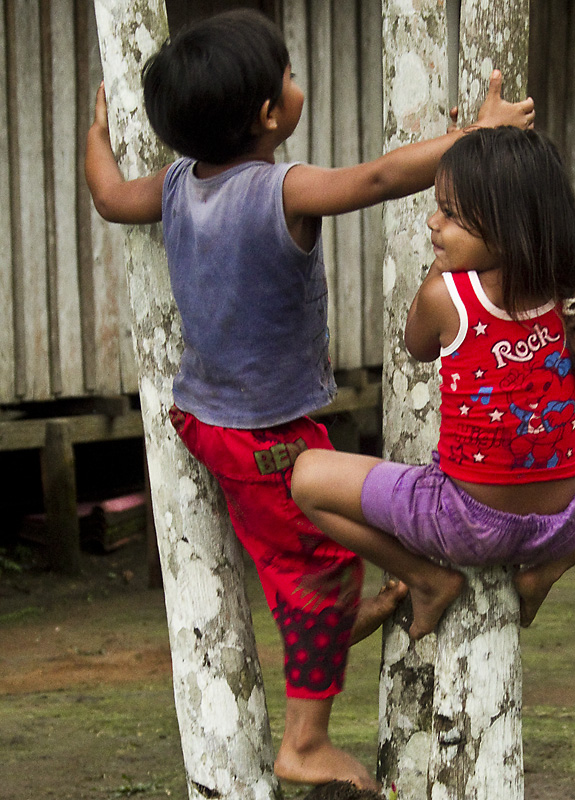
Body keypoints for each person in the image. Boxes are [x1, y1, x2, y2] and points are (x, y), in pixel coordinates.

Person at [84, 9, 535, 790]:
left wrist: (93, 138)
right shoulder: (281, 189)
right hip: (267, 432)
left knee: (308, 541)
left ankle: (375, 600)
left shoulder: (176, 186)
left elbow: (109, 197)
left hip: (206, 417)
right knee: (315, 570)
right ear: (268, 114)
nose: (297, 86)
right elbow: (381, 177)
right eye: (288, 77)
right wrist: (478, 136)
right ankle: (305, 739)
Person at [292, 126, 575, 640]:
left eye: (452, 214)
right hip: (563, 519)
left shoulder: (450, 295)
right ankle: (548, 571)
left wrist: (437, 269)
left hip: (462, 521)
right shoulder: (560, 294)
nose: (433, 223)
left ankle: (425, 579)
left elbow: (416, 344)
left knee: (307, 476)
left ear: (511, 227)